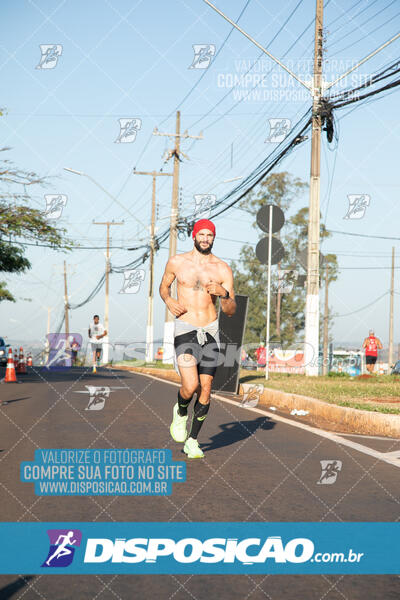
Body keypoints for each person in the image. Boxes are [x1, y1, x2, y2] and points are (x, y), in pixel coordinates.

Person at [159, 218, 236, 458]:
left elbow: (231, 310)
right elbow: (163, 287)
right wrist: (169, 300)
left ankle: (192, 440)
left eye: (209, 235)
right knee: (190, 385)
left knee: (206, 389)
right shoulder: (177, 262)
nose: (205, 239)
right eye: (201, 234)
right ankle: (181, 412)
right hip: (185, 328)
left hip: (211, 330)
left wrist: (223, 293)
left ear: (214, 238)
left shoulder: (222, 268)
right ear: (194, 236)